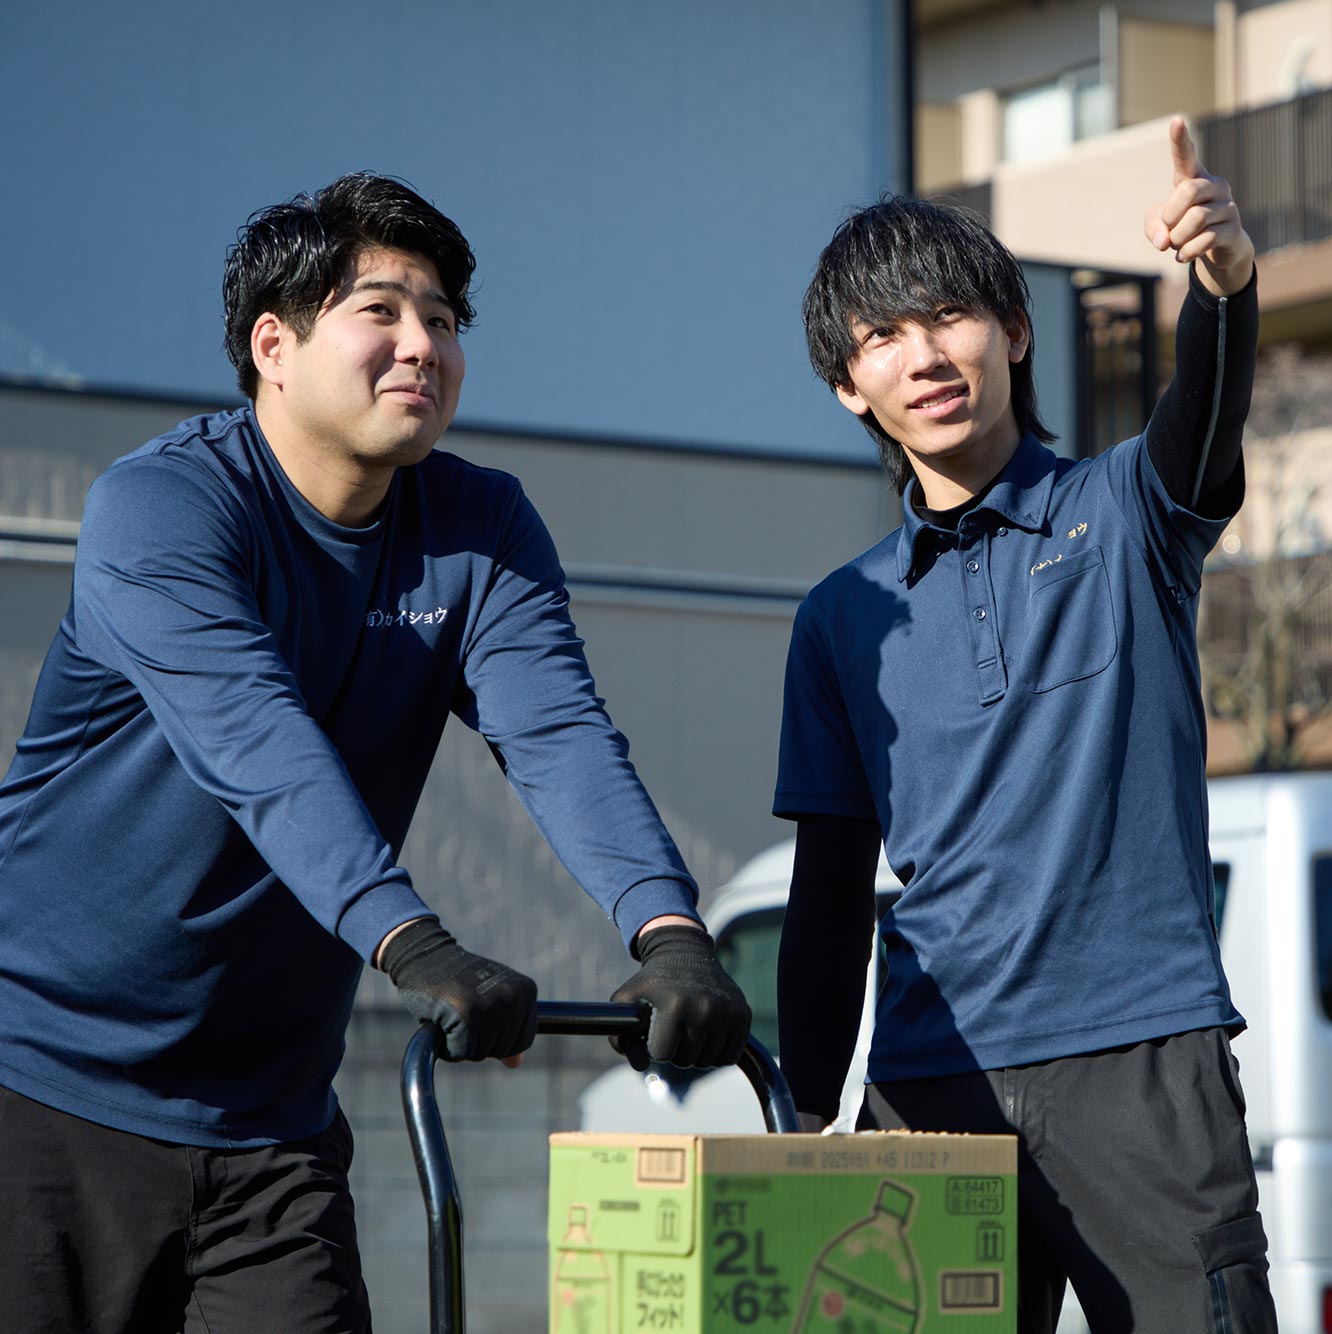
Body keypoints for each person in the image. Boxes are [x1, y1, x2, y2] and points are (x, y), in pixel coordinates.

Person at [0, 174, 750, 1334]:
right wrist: (417, 944)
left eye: (443, 319)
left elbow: (557, 730)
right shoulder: (161, 509)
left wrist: (672, 930)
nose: (422, 345)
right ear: (274, 346)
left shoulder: (480, 526)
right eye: (382, 311)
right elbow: (258, 743)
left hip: (271, 1124)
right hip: (41, 1090)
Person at [775, 118, 1278, 1332]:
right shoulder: (840, 616)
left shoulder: (1128, 510)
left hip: (1140, 1059)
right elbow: (830, 881)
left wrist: (1223, 287)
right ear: (849, 386)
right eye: (881, 337)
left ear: (1013, 330)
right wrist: (805, 1102)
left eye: (949, 314)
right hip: (927, 1080)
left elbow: (1203, 414)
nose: (924, 355)